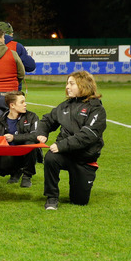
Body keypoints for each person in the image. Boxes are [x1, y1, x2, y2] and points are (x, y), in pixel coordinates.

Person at [35, 71, 106, 211]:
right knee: (50, 157)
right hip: (64, 155)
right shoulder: (64, 106)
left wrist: (61, 145)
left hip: (84, 159)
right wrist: (42, 133)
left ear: (83, 85)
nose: (67, 87)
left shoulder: (97, 109)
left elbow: (88, 135)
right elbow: (46, 120)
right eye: (67, 83)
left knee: (79, 201)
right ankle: (52, 197)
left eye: (71, 83)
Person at [0, 91, 40, 187]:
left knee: (30, 143)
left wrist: (14, 138)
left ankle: (27, 176)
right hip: (9, 154)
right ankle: (15, 172)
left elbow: (36, 136)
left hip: (25, 153)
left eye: (25, 102)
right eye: (22, 102)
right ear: (12, 105)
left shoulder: (32, 117)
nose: (25, 104)